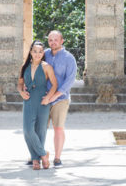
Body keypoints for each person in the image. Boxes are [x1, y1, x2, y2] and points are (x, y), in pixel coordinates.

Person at [17, 40, 57, 170]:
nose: (38, 54)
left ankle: (35, 160)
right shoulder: (24, 67)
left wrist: (48, 98)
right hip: (28, 101)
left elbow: (54, 85)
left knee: (40, 131)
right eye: (35, 51)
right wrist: (21, 92)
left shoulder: (46, 67)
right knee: (28, 130)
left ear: (42, 53)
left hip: (42, 102)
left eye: (40, 51)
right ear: (30, 52)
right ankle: (43, 154)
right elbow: (19, 84)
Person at [44, 30, 77, 167]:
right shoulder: (44, 54)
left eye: (56, 39)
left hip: (60, 99)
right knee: (39, 128)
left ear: (62, 41)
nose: (53, 42)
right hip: (44, 97)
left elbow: (70, 80)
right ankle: (37, 154)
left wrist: (55, 96)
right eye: (50, 40)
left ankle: (57, 158)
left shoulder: (69, 58)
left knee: (58, 128)